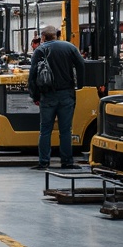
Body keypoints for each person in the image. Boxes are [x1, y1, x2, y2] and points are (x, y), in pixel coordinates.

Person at [28, 24, 87, 170]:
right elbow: (81, 65)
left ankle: (44, 162)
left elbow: (32, 76)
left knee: (45, 129)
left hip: (47, 95)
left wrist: (35, 95)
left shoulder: (40, 50)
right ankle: (67, 162)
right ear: (57, 35)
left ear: (43, 36)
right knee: (66, 130)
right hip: (66, 94)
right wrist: (80, 85)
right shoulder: (69, 47)